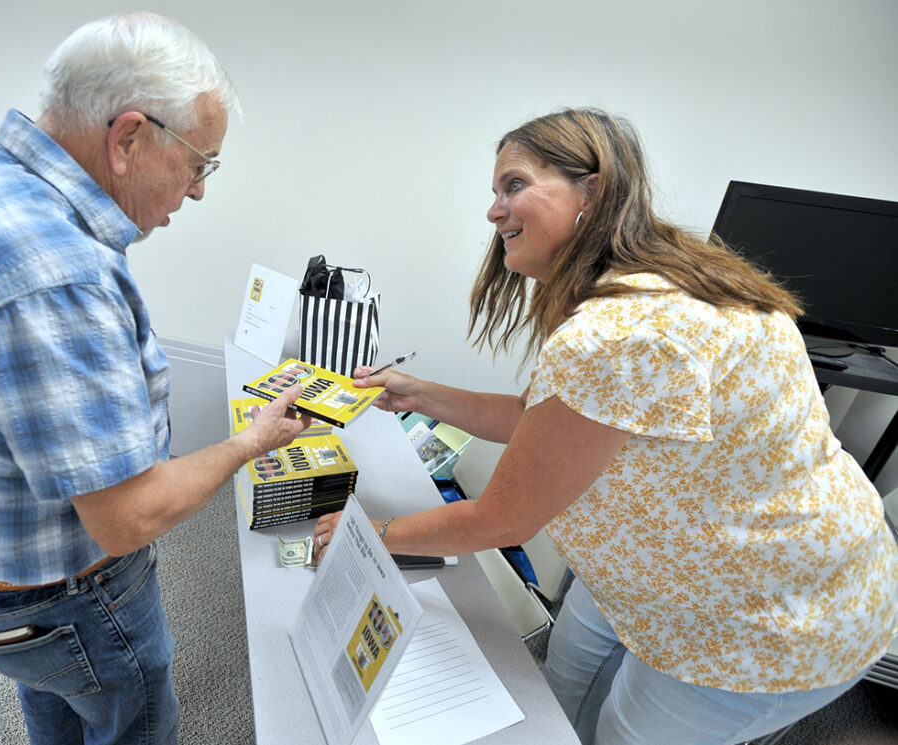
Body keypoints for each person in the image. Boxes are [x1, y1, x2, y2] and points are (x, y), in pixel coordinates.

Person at [311, 108, 898, 745]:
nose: (494, 211)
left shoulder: (620, 330)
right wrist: (423, 394)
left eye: (514, 185)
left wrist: (370, 536)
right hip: (655, 564)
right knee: (559, 702)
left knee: (622, 733)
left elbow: (504, 519)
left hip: (759, 615)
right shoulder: (655, 281)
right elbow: (547, 426)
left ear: (590, 192)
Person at [0, 14, 310, 745]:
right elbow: (127, 517)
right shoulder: (57, 277)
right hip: (64, 595)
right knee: (133, 721)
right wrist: (250, 440)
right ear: (128, 138)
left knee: (58, 698)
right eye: (199, 164)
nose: (198, 192)